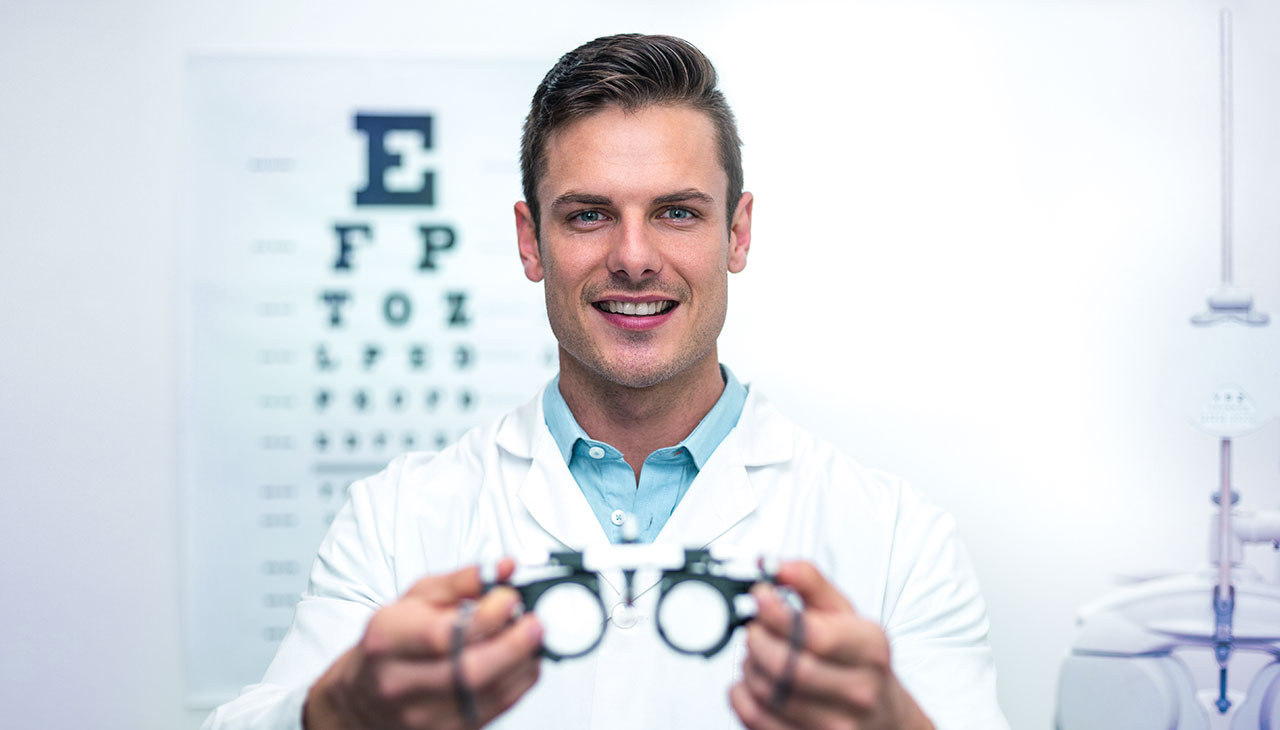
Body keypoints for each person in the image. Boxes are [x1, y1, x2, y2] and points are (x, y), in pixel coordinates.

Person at [204, 33, 1008, 730]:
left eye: (677, 213)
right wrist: (340, 713)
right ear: (531, 242)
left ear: (738, 232)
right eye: (588, 214)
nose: (633, 255)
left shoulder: (898, 540)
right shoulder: (396, 521)